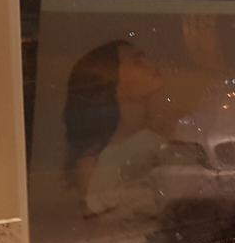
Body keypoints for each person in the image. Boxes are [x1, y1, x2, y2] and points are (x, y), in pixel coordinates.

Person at [63, 40, 166, 220]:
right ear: (112, 82)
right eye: (138, 61)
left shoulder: (158, 139)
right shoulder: (93, 167)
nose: (151, 63)